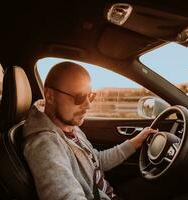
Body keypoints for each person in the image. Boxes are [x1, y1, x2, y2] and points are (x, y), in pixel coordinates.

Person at [22, 61, 157, 200]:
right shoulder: (45, 145)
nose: (88, 105)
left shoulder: (69, 127)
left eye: (90, 96)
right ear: (49, 95)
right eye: (80, 97)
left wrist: (136, 141)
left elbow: (95, 160)